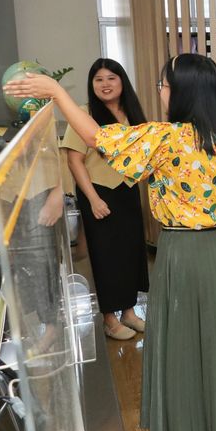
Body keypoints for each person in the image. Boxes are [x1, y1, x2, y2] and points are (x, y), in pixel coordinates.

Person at [6, 53, 216, 431]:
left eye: (163, 85)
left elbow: (97, 138)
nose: (160, 92)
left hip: (185, 255)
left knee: (182, 357)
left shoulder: (165, 138)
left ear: (181, 92)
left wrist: (57, 92)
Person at [61, 58, 149, 341]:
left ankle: (129, 312)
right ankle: (109, 319)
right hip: (98, 193)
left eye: (111, 78)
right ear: (92, 85)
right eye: (98, 79)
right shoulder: (83, 113)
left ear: (122, 81)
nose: (105, 84)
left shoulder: (132, 113)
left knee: (130, 252)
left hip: (127, 191)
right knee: (106, 257)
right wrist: (93, 199)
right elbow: (74, 161)